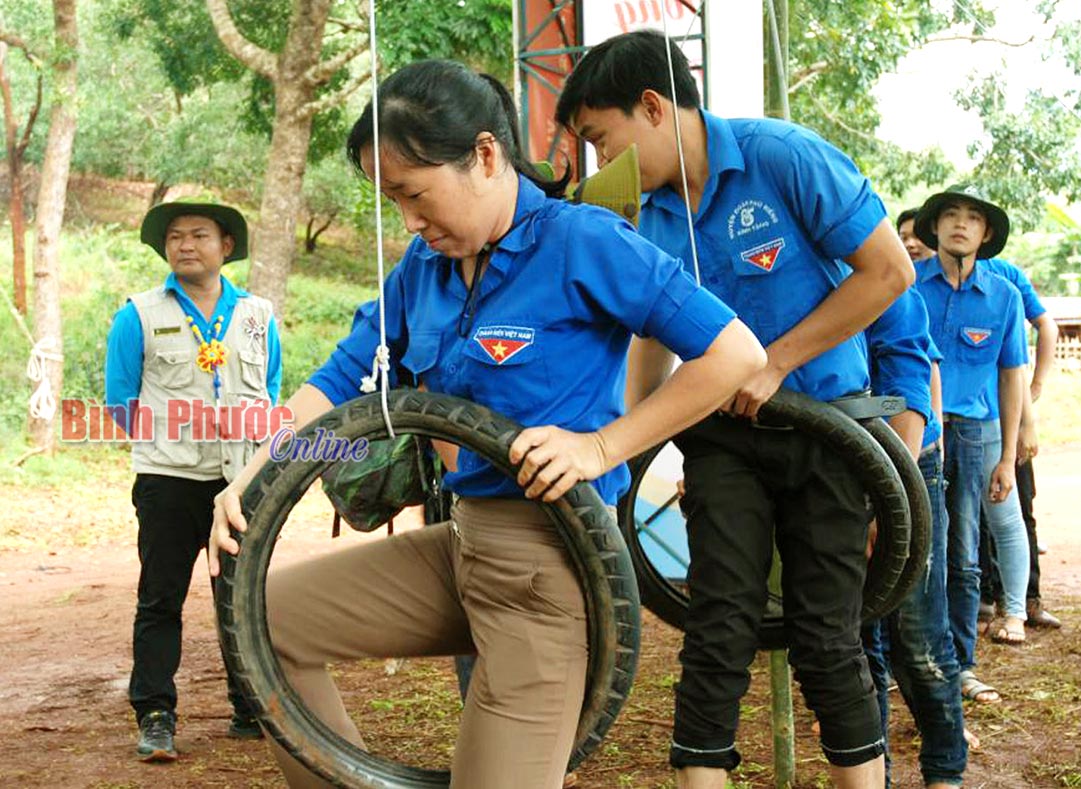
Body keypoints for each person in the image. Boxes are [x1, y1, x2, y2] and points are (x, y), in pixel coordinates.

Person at [209, 59, 764, 789]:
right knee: (268, 614)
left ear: (483, 155)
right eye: (391, 200)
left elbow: (733, 353)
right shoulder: (423, 267)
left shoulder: (581, 241)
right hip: (462, 539)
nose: (408, 219)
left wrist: (602, 446)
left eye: (414, 193)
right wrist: (254, 475)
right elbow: (340, 382)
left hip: (550, 561)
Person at [555, 30, 914, 789]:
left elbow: (887, 272)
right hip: (721, 440)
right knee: (715, 629)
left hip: (828, 427)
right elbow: (650, 348)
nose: (597, 164)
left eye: (599, 139)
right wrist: (625, 446)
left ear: (651, 106)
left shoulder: (780, 155)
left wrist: (776, 360)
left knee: (826, 634)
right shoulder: (642, 214)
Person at [104, 200, 283, 761]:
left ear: (225, 246)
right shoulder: (138, 312)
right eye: (175, 237)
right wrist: (170, 442)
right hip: (169, 480)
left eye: (199, 235)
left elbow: (272, 388)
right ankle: (155, 714)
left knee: (242, 592)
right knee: (161, 597)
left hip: (239, 479)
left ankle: (248, 704)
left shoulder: (258, 314)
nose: (185, 244)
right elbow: (120, 399)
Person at [911, 184, 1031, 706]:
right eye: (951, 215)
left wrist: (1008, 455)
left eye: (973, 218)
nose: (961, 224)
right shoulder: (906, 286)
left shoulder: (1004, 297)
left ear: (986, 234)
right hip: (914, 432)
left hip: (976, 434)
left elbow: (1011, 375)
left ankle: (959, 666)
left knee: (962, 553)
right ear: (934, 228)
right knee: (914, 548)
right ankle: (910, 661)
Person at [861, 289, 966, 789]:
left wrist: (893, 502)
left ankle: (944, 770)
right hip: (831, 461)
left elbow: (921, 377)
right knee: (856, 642)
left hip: (908, 458)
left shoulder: (893, 285)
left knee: (919, 635)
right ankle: (871, 774)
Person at [976, 256, 1061, 629]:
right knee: (966, 519)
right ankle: (980, 598)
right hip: (955, 423)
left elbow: (1020, 361)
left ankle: (1027, 599)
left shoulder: (1004, 279)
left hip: (1002, 419)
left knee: (1015, 509)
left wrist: (1030, 413)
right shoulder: (920, 283)